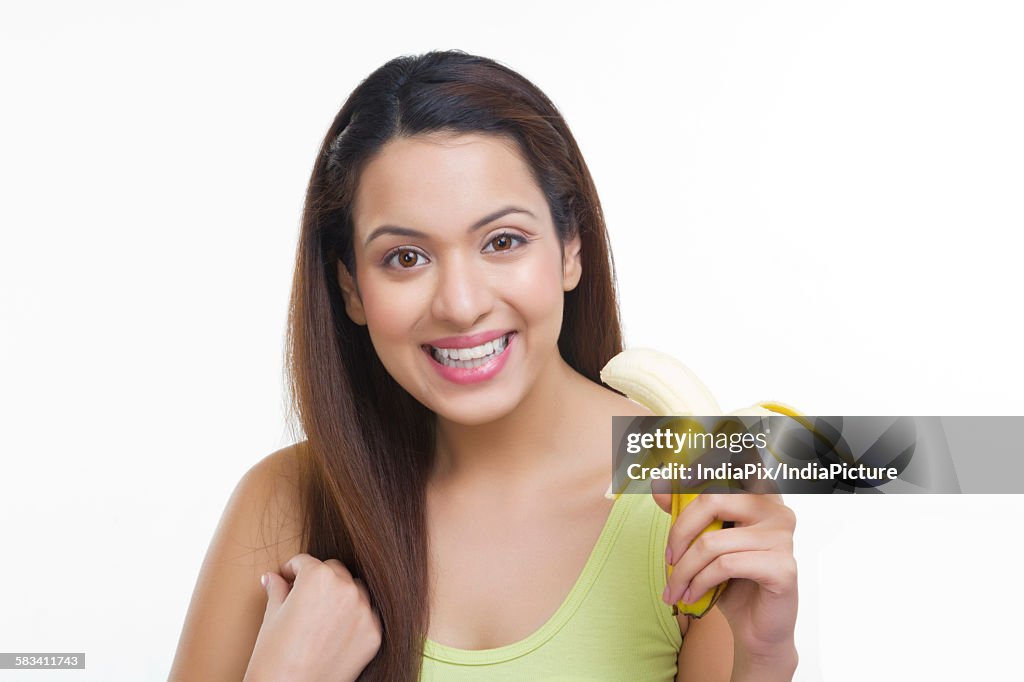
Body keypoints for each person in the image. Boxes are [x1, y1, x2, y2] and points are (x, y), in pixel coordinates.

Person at [169, 49, 798, 681]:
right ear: (352, 289)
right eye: (405, 258)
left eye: (503, 242)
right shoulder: (283, 504)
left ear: (570, 247)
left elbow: (879, 455)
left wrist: (763, 658)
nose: (461, 305)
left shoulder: (691, 488)